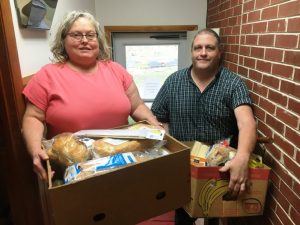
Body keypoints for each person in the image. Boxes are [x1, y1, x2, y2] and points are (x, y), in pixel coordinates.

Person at [22, 11, 161, 182]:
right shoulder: (47, 75)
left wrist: (154, 124)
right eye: (76, 35)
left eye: (90, 35)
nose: (85, 40)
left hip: (121, 161)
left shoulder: (116, 70)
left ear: (98, 40)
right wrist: (36, 150)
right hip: (72, 170)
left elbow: (137, 105)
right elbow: (33, 117)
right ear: (63, 39)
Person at [151, 28, 257, 225]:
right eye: (198, 47)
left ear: (219, 52)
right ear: (191, 52)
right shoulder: (173, 82)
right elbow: (159, 118)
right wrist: (167, 149)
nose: (203, 53)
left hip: (220, 168)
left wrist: (243, 157)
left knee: (215, 215)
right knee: (182, 216)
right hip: (184, 167)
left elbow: (247, 123)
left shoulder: (233, 83)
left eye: (210, 48)